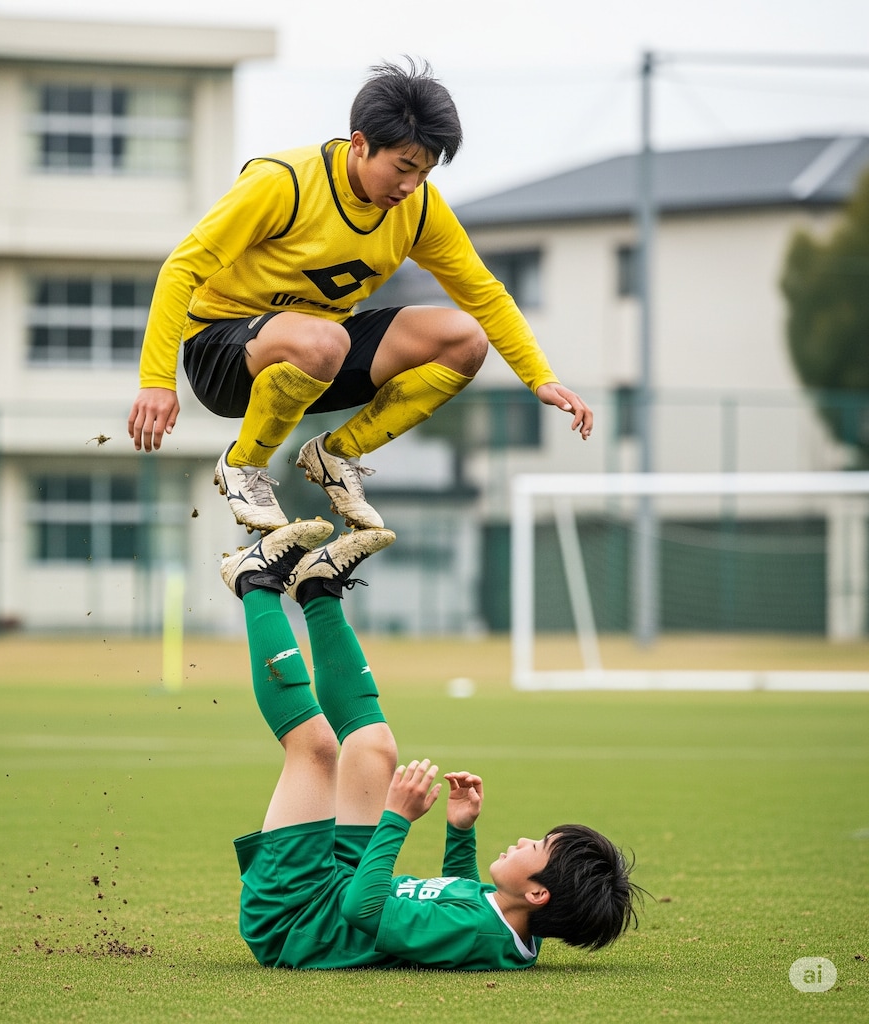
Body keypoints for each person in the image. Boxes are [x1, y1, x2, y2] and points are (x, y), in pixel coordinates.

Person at [128, 58, 593, 533]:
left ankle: (336, 455)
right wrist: (156, 382)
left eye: (426, 173)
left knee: (465, 339)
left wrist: (540, 378)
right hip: (223, 353)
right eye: (403, 167)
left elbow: (485, 293)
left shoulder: (417, 208)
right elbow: (180, 269)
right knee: (323, 340)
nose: (410, 186)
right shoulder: (281, 183)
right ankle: (244, 465)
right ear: (360, 144)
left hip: (322, 354)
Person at [219, 520, 641, 970]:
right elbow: (456, 899)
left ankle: (255, 581)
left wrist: (397, 818)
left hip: (298, 920)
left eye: (537, 846)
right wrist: (460, 831)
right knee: (375, 746)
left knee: (316, 747)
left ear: (538, 893)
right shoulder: (508, 924)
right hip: (340, 887)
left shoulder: (480, 933)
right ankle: (318, 590)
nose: (523, 839)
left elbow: (363, 910)